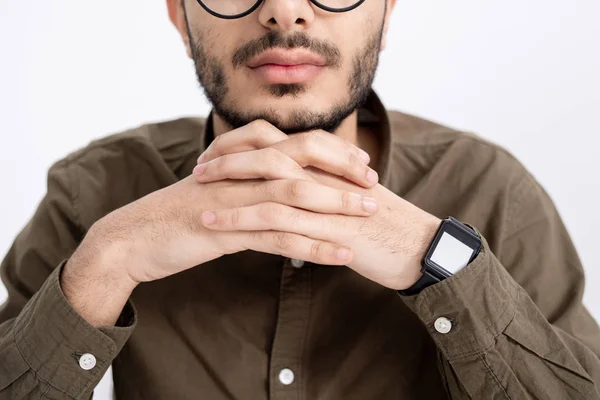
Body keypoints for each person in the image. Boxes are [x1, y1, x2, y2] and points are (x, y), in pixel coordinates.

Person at [1, 0, 599, 398]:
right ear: (182, 18)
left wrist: (435, 258)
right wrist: (106, 264)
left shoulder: (492, 190)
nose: (284, 9)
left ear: (386, 14)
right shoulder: (91, 194)